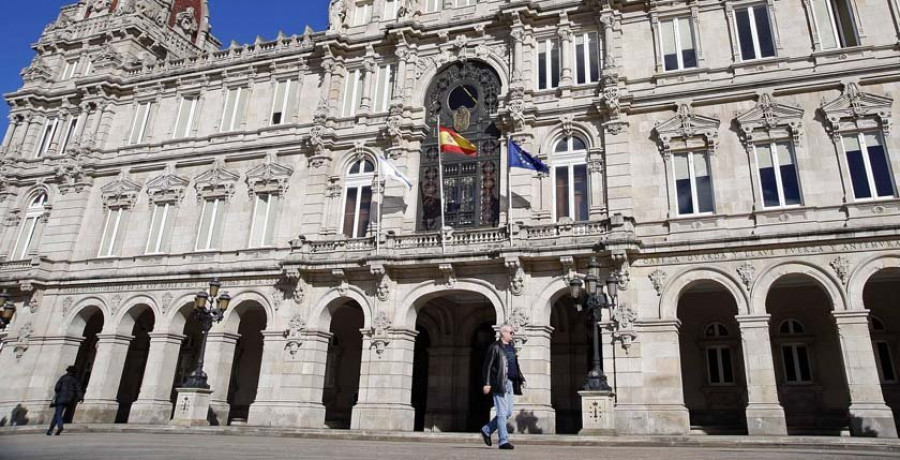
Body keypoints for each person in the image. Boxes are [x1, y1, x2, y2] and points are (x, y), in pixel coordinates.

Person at [480, 323, 525, 450]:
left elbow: (514, 364)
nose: (513, 335)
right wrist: (487, 383)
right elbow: (487, 366)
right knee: (501, 413)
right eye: (511, 332)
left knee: (508, 412)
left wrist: (520, 377)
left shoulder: (511, 347)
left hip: (511, 382)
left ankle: (487, 429)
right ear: (503, 333)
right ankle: (503, 441)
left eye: (513, 332)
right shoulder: (494, 347)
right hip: (500, 383)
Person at [47, 365, 83, 436]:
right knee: (57, 414)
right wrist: (80, 398)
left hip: (61, 398)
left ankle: (60, 426)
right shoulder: (75, 379)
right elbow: (78, 389)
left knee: (58, 413)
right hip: (69, 399)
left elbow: (57, 387)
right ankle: (50, 430)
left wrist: (58, 393)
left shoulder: (63, 378)